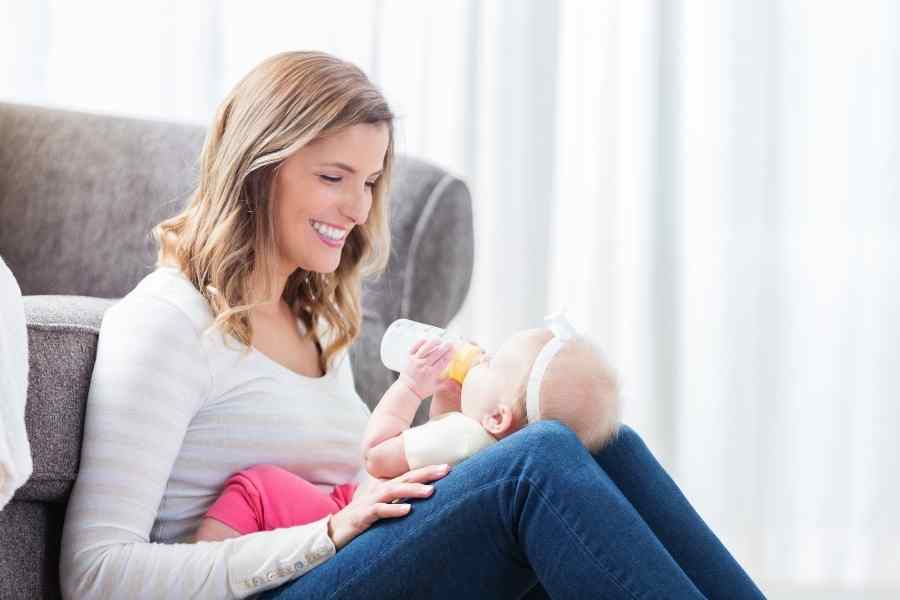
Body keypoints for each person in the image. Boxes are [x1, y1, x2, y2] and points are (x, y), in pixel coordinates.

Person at [59, 50, 765, 599]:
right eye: (333, 177)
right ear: (260, 168)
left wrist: (448, 429)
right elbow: (94, 576)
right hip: (269, 587)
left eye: (368, 183)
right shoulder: (167, 321)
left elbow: (365, 474)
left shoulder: (313, 324)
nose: (359, 209)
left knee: (601, 444)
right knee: (536, 464)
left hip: (339, 564)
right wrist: (326, 533)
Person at [191, 319, 621, 542]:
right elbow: (436, 435)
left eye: (490, 362)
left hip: (346, 515)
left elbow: (378, 455)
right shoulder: (480, 445)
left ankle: (211, 562)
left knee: (258, 486)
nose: (478, 356)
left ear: (497, 418)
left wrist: (410, 386)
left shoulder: (462, 439)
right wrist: (450, 397)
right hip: (380, 524)